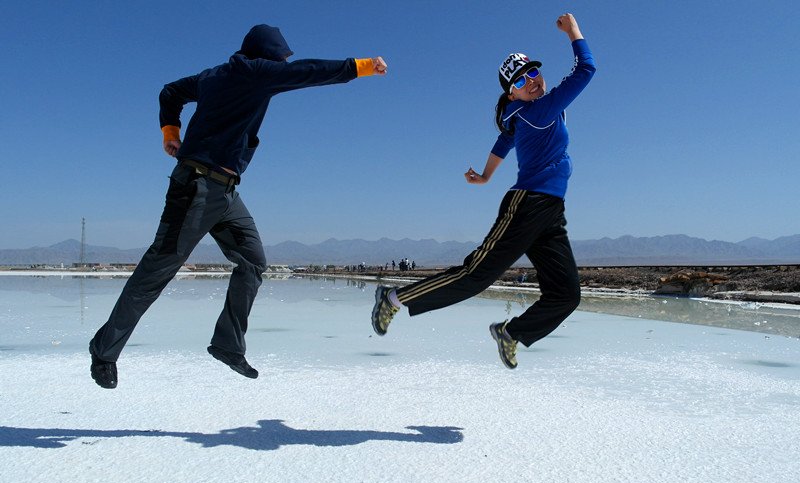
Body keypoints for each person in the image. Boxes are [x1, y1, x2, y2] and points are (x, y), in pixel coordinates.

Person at [89, 24, 387, 388]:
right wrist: (363, 66)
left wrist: (170, 132)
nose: (283, 64)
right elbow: (308, 71)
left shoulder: (214, 75)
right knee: (157, 271)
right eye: (280, 58)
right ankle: (104, 351)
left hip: (226, 192)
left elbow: (170, 92)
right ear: (266, 55)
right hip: (196, 188)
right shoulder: (256, 73)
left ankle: (227, 344)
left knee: (253, 261)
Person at [371, 13, 594, 369]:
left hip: (552, 211)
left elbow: (505, 140)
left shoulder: (525, 114)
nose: (531, 82)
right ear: (512, 92)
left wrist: (487, 175)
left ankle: (512, 333)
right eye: (521, 80)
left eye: (533, 73)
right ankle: (392, 299)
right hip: (527, 205)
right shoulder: (539, 111)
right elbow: (586, 70)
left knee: (567, 295)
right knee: (476, 275)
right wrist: (573, 31)